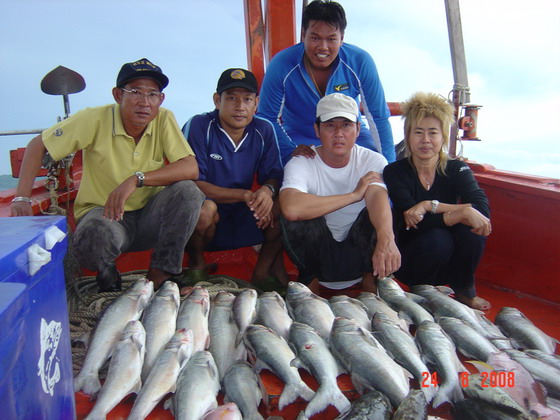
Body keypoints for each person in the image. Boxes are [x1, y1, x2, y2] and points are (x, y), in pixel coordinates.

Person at [11, 58, 205, 292]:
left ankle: (161, 274)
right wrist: (21, 198)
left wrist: (136, 179)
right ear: (117, 95)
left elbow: (190, 167)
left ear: (160, 99)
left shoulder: (163, 118)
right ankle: (107, 274)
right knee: (94, 235)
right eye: (135, 92)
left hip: (150, 217)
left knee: (188, 191)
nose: (145, 102)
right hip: (106, 216)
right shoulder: (94, 118)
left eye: (153, 94)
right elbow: (38, 145)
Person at [279, 93, 400, 294]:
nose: (338, 133)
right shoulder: (302, 162)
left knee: (380, 210)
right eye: (330, 125)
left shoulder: (373, 160)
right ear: (317, 129)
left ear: (358, 129)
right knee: (296, 211)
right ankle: (311, 284)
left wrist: (387, 239)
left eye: (346, 125)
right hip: (319, 257)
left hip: (360, 257)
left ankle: (371, 283)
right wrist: (354, 195)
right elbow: (291, 208)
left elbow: (377, 197)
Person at [383, 92, 492, 310]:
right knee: (438, 238)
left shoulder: (457, 168)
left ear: (443, 136)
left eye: (433, 132)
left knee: (472, 231)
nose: (425, 140)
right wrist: (460, 213)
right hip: (411, 256)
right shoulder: (395, 171)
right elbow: (414, 222)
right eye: (418, 132)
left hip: (448, 258)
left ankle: (464, 290)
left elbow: (481, 209)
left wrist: (428, 205)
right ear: (407, 135)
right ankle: (420, 291)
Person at [181, 68, 287, 290]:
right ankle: (196, 266)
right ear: (217, 100)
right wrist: (246, 195)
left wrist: (266, 192)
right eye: (231, 98)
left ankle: (262, 272)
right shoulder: (200, 125)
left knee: (285, 205)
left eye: (247, 99)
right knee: (203, 210)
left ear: (256, 103)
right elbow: (193, 184)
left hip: (243, 208)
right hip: (209, 206)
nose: (240, 107)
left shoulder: (264, 129)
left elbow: (274, 175)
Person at [257, 0, 394, 166]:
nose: (323, 47)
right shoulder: (281, 64)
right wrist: (289, 150)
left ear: (342, 38)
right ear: (303, 35)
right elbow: (267, 117)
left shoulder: (360, 61)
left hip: (350, 137)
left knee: (377, 167)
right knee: (291, 170)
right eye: (315, 38)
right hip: (299, 138)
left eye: (331, 39)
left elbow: (378, 116)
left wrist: (390, 167)